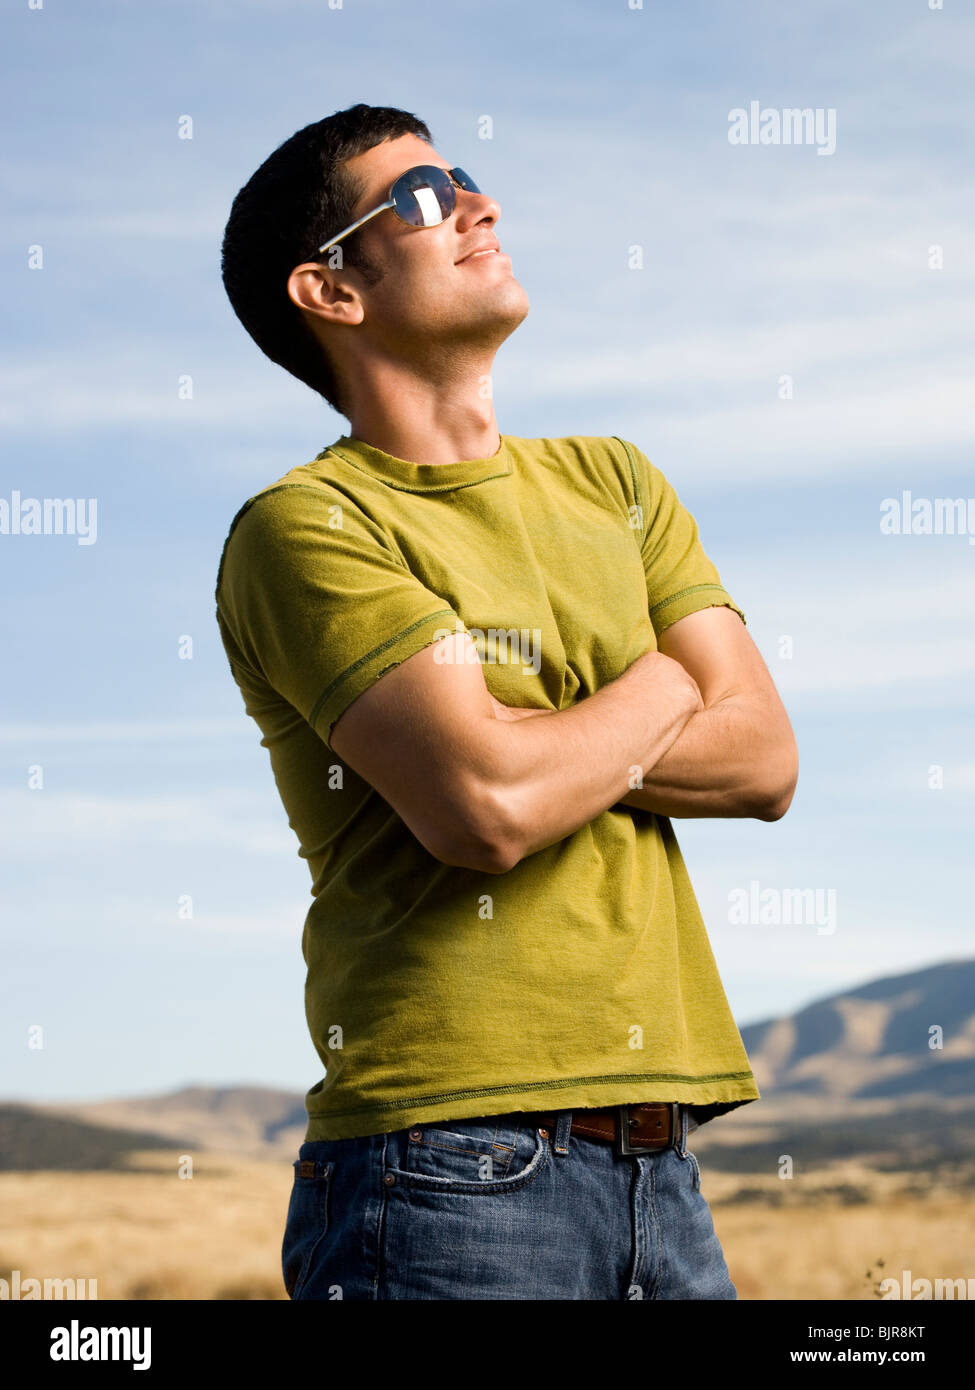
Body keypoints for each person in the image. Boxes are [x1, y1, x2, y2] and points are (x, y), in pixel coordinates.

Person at [216, 103, 798, 1301]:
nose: (479, 206)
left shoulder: (617, 480)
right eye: (422, 198)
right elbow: (484, 804)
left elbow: (766, 761)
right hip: (444, 1171)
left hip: (665, 1169)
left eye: (469, 179)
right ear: (331, 292)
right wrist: (675, 674)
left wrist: (543, 736)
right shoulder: (310, 527)